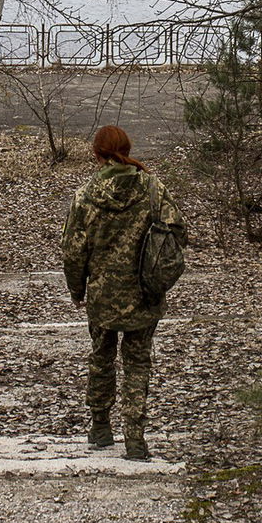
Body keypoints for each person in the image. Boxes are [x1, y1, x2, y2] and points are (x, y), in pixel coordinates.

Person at [61, 124, 186, 460]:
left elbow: (73, 250)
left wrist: (77, 290)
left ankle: (100, 426)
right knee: (138, 364)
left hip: (102, 296)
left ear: (97, 153)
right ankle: (135, 438)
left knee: (101, 359)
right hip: (145, 292)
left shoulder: (86, 194)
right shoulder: (152, 188)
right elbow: (177, 232)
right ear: (127, 149)